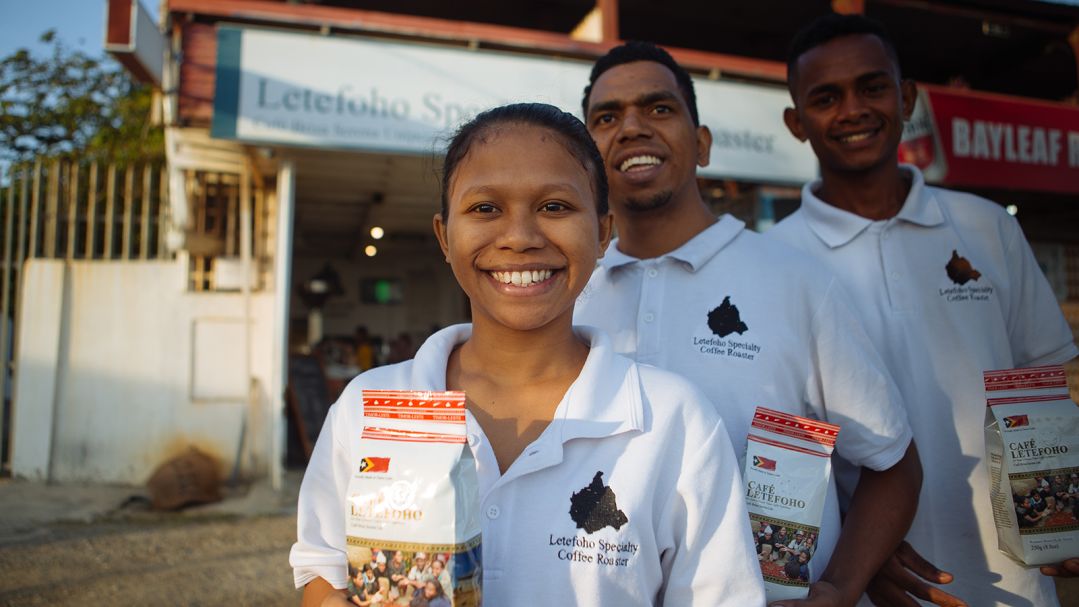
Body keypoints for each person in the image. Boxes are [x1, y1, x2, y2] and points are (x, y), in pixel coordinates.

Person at [289, 103, 766, 605]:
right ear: (443, 236)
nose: (519, 237)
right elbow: (323, 565)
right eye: (485, 208)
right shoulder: (370, 404)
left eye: (555, 207)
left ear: (603, 232)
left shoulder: (673, 421)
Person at [575, 40, 921, 606]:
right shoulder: (569, 295)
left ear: (703, 144)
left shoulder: (795, 281)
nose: (632, 128)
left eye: (659, 108)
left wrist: (839, 586)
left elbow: (893, 463)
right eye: (607, 118)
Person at [771, 13, 1079, 607]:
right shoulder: (775, 260)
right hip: (865, 584)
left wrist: (1056, 517)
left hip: (1012, 579)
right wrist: (858, 554)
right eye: (826, 97)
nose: (854, 109)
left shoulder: (987, 228)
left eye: (873, 87)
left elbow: (1037, 385)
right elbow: (783, 433)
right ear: (796, 122)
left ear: (906, 96)